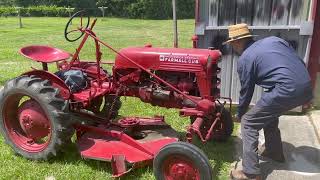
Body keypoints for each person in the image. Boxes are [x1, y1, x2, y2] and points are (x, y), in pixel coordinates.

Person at [224, 24, 313, 180]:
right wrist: (306, 94)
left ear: (237, 42)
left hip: (285, 89)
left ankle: (250, 173)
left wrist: (240, 113)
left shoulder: (245, 59)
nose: (232, 47)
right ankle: (274, 151)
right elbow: (299, 62)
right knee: (266, 112)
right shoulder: (274, 40)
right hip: (305, 84)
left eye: (232, 43)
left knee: (249, 123)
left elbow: (246, 91)